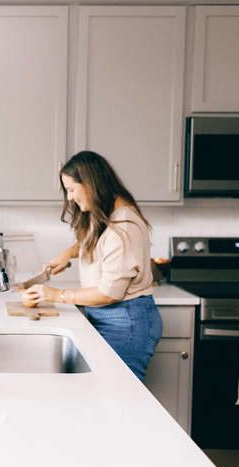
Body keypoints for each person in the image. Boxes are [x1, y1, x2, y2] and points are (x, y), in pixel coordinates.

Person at [23, 151, 163, 382]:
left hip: (125, 323)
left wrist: (56, 295)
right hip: (115, 318)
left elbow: (109, 293)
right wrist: (69, 252)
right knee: (108, 394)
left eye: (71, 189)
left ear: (90, 184)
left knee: (119, 398)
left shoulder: (123, 226)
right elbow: (103, 242)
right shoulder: (113, 215)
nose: (69, 198)